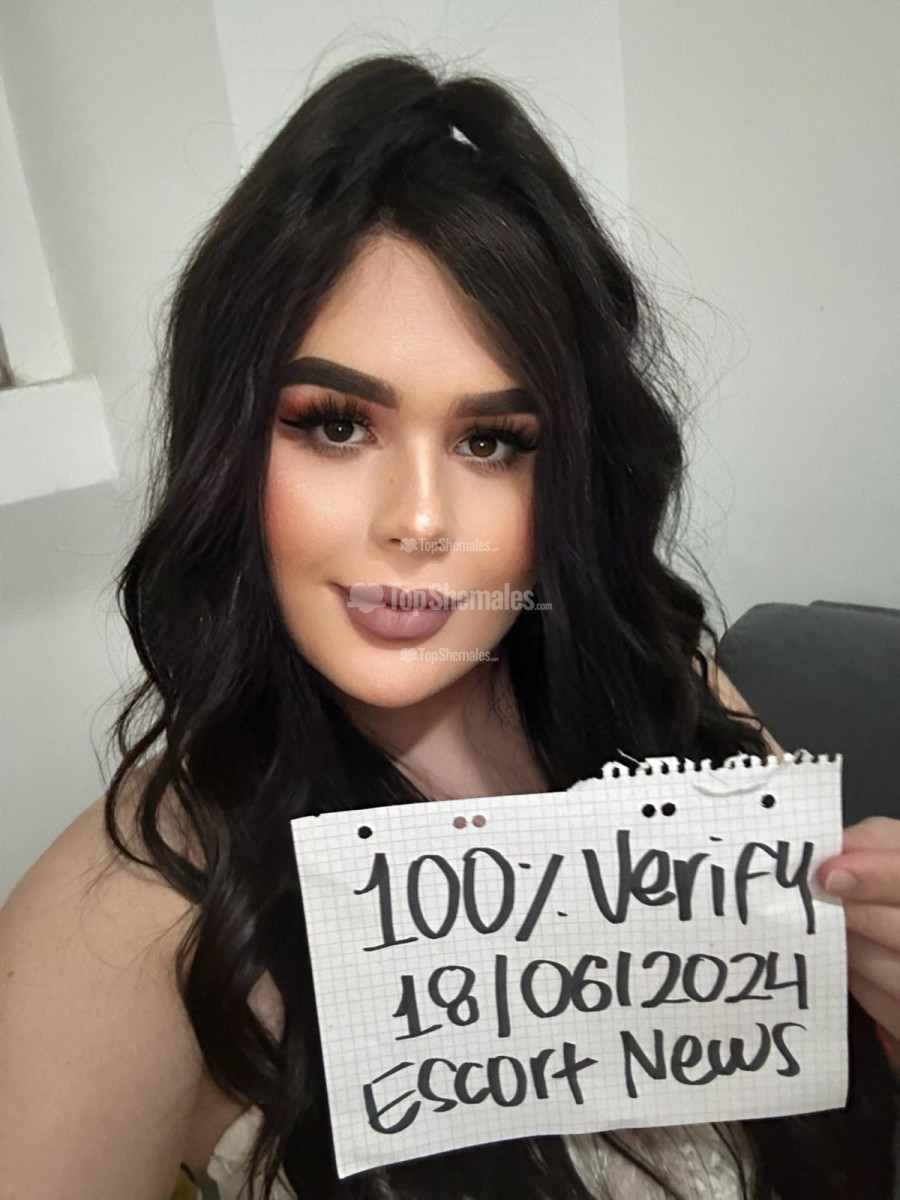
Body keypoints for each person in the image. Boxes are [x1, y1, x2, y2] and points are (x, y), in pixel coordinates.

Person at [0, 50, 898, 1200]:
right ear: (229, 443)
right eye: (336, 424)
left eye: (490, 442)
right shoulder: (134, 909)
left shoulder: (672, 689)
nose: (420, 521)